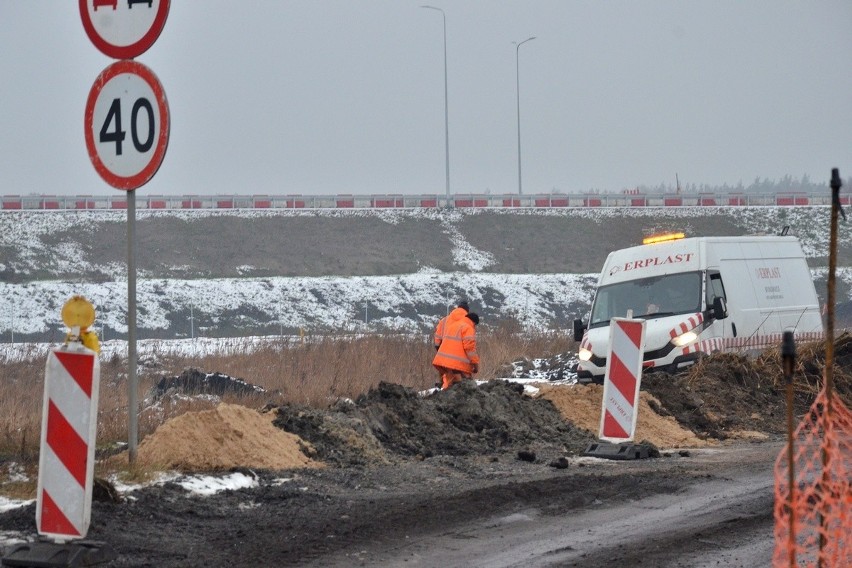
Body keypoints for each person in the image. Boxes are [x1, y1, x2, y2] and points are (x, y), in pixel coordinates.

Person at [433, 312, 480, 390]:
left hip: (444, 362)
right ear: (474, 322)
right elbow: (469, 348)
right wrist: (475, 364)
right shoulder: (468, 328)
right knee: (463, 386)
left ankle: (443, 398)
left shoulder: (454, 325)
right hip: (455, 363)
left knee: (449, 385)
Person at [433, 300, 470, 388]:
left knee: (446, 378)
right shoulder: (468, 321)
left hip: (444, 354)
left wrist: (441, 352)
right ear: (467, 311)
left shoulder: (444, 320)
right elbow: (469, 343)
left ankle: (443, 389)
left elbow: (437, 341)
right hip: (461, 356)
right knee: (462, 381)